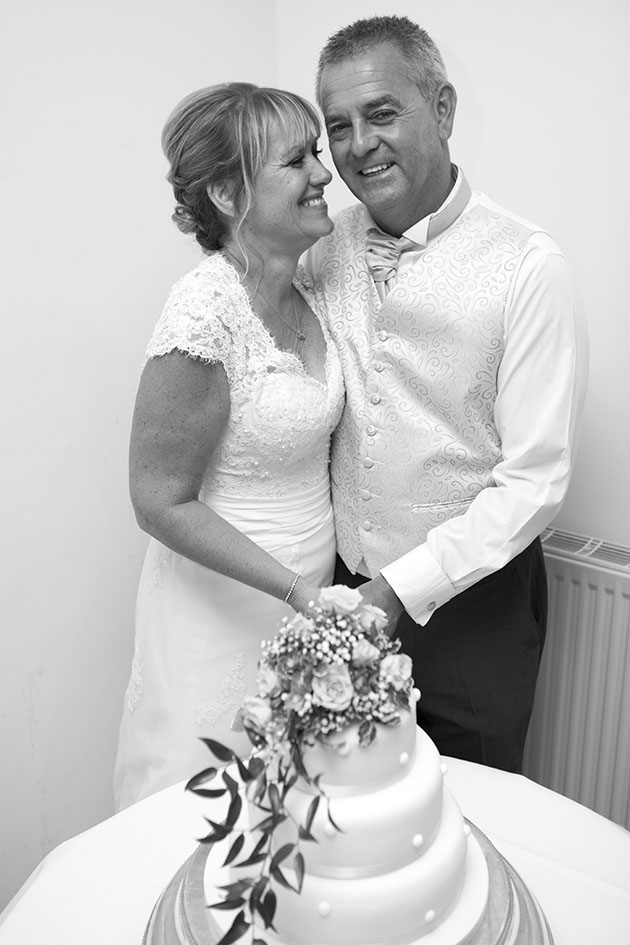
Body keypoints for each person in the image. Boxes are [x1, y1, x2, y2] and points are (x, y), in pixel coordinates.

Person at [306, 15, 589, 773]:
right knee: (353, 815)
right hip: (344, 596)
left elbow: (535, 480)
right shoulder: (320, 245)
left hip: (477, 614)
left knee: (474, 820)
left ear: (443, 110)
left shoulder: (531, 266)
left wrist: (403, 585)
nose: (358, 143)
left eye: (382, 113)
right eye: (338, 126)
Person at [113, 83, 343, 810]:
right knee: (206, 814)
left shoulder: (313, 289)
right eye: (297, 160)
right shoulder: (204, 311)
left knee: (293, 821)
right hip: (223, 611)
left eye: (317, 152)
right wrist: (296, 590)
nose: (323, 173)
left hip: (309, 604)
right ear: (226, 190)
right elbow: (158, 500)